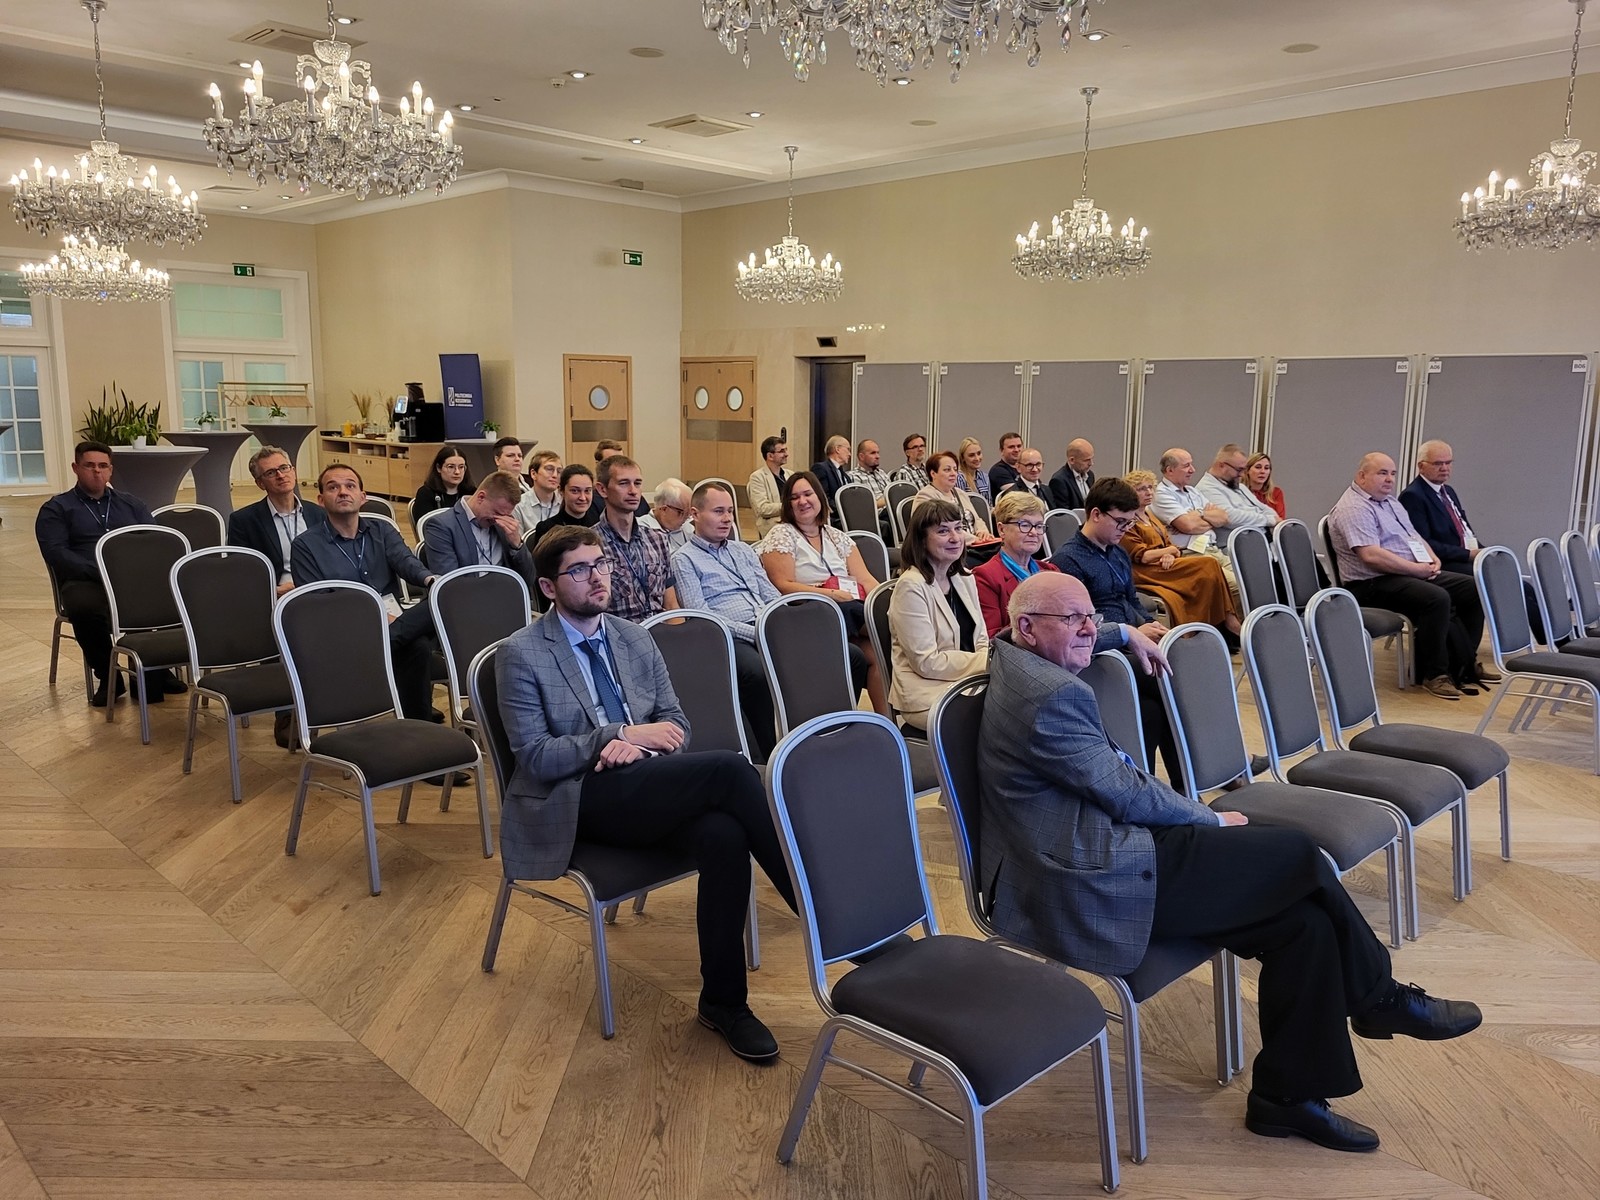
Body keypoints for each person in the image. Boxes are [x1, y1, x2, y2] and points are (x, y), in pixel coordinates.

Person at [978, 570, 1482, 1154]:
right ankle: (1379, 998)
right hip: (1093, 874)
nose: (1088, 628)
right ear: (1026, 627)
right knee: (1295, 852)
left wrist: (1122, 631)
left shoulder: (1015, 654)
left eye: (1091, 615)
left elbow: (1068, 630)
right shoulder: (1048, 696)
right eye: (1075, 620)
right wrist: (1210, 818)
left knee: (1305, 926)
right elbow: (1126, 793)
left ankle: (1285, 1098)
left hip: (1112, 842)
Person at [495, 524, 797, 1063]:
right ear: (547, 587)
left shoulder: (634, 637)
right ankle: (819, 911)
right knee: (731, 771)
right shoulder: (521, 653)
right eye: (579, 570)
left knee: (724, 834)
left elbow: (676, 721)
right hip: (579, 798)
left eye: (601, 564)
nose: (597, 577)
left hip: (646, 785)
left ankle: (724, 1002)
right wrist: (616, 736)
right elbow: (536, 757)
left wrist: (644, 746)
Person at [1052, 477, 1196, 784]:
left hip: (1130, 644)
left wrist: (1149, 625)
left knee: (1155, 710)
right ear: (1095, 514)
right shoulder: (1068, 560)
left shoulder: (1117, 552)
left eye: (1130, 523)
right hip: (1102, 653)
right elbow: (1081, 625)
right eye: (1120, 522)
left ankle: (1179, 788)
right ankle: (1193, 778)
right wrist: (1134, 631)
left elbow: (1131, 600)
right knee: (1174, 680)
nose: (1125, 530)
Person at [1327, 453, 1495, 700]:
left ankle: (1463, 664)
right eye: (1382, 473)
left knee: (1473, 588)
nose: (1389, 479)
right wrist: (1416, 569)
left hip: (1403, 573)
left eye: (1392, 474)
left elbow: (1413, 536)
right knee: (1436, 597)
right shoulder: (1354, 508)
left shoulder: (1390, 503)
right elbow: (1371, 556)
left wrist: (1432, 559)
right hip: (1370, 583)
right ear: (1361, 476)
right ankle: (1433, 673)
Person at [289, 464, 440, 722]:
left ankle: (416, 727)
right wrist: (376, 617)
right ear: (321, 500)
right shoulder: (305, 545)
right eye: (333, 487)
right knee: (418, 643)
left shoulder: (382, 531)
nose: (342, 492)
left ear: (362, 496)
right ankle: (419, 726)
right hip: (345, 632)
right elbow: (319, 606)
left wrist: (430, 579)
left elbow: (405, 561)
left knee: (439, 600)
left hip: (393, 621)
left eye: (350, 486)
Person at [35, 440, 171, 708]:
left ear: (110, 470)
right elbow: (56, 553)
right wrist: (100, 572)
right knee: (84, 608)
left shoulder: (132, 504)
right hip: (86, 579)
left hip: (130, 579)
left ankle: (154, 670)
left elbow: (154, 541)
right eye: (89, 466)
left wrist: (131, 572)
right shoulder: (57, 509)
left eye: (102, 466)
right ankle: (109, 677)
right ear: (76, 468)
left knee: (166, 598)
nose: (96, 472)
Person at [670, 481, 782, 759]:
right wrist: (755, 633)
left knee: (842, 655)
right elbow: (702, 615)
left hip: (765, 626)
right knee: (756, 672)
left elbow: (770, 594)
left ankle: (818, 735)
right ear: (695, 514)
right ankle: (771, 754)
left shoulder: (743, 550)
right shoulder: (684, 559)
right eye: (718, 511)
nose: (727, 518)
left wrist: (781, 622)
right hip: (728, 638)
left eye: (730, 511)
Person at [226, 445, 329, 747]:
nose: (281, 475)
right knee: (290, 626)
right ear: (260, 483)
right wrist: (281, 590)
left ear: (294, 471)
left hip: (320, 590)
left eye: (285, 468)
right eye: (271, 472)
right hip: (277, 596)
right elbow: (243, 575)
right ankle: (288, 713)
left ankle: (332, 704)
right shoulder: (245, 520)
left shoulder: (318, 513)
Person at [1399, 439, 1543, 640]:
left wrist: (1485, 552)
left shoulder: (1448, 492)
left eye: (1448, 462)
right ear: (1421, 466)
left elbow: (1466, 532)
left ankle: (1553, 638)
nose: (1445, 468)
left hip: (1465, 557)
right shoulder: (1413, 496)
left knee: (1520, 582)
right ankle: (1551, 641)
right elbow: (1425, 544)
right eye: (1438, 463)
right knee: (1501, 583)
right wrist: (1469, 554)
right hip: (1444, 563)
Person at [756, 471, 878, 708]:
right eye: (794, 497)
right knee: (878, 627)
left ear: (820, 497)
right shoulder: (782, 535)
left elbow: (866, 580)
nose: (802, 501)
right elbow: (782, 586)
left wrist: (883, 601)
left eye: (807, 494)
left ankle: (884, 722)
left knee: (877, 655)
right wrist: (830, 595)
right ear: (787, 504)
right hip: (808, 612)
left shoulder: (836, 536)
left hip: (848, 611)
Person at [887, 499, 989, 736]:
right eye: (943, 531)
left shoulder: (965, 577)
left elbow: (981, 640)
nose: (955, 538)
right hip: (926, 695)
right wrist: (987, 663)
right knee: (1000, 720)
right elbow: (926, 662)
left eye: (958, 528)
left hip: (969, 683)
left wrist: (987, 663)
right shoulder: (911, 587)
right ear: (921, 540)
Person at [1121, 470, 1240, 635]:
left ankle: (1215, 625)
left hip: (1164, 564)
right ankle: (1227, 622)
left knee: (1209, 573)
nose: (1148, 492)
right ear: (1130, 492)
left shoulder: (1150, 515)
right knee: (1208, 564)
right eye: (1141, 489)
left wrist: (1169, 554)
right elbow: (1143, 556)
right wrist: (1169, 551)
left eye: (1150, 487)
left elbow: (1170, 545)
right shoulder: (1128, 520)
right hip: (1145, 570)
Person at [421, 469, 537, 591]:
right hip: (468, 598)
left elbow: (528, 579)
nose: (498, 519)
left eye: (506, 515)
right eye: (497, 513)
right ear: (481, 497)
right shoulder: (442, 526)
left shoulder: (505, 525)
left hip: (504, 596)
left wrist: (517, 545)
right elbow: (450, 585)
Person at [594, 455, 678, 622]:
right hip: (618, 632)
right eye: (623, 483)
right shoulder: (590, 545)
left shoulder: (657, 539)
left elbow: (671, 606)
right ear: (602, 489)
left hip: (660, 630)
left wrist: (678, 635)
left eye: (637, 483)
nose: (633, 491)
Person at [1150, 446, 1238, 598]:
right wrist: (1209, 518)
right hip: (1191, 554)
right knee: (1236, 587)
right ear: (1170, 470)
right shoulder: (1161, 494)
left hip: (1213, 550)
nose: (1193, 470)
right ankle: (1232, 615)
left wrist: (1200, 514)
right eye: (1186, 466)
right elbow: (1188, 526)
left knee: (1250, 582)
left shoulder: (1193, 491)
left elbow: (1224, 518)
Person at [973, 490, 1059, 636]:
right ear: (1001, 529)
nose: (1034, 532)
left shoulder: (1051, 571)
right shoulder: (985, 577)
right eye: (1024, 525)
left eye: (1039, 526)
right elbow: (994, 638)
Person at [1195, 443, 1281, 543]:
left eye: (1243, 470)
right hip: (1238, 544)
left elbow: (1265, 509)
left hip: (1261, 539)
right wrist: (1268, 520)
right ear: (1221, 466)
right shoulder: (1206, 488)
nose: (1242, 475)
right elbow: (1230, 518)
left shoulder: (1240, 487)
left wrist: (1271, 519)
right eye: (1239, 470)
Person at [912, 450, 996, 548]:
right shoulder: (925, 496)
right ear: (933, 474)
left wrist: (983, 533)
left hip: (975, 545)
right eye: (947, 470)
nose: (953, 473)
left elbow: (977, 520)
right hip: (949, 548)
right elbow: (941, 530)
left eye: (955, 469)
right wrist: (974, 540)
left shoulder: (961, 493)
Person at [532, 464, 600, 547]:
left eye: (587, 491)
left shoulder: (599, 523)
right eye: (575, 491)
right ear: (561, 491)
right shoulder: (546, 529)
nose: (582, 498)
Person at [411, 445, 474, 527]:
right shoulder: (426, 493)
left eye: (461, 467)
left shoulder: (472, 493)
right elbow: (425, 526)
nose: (457, 472)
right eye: (451, 467)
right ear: (438, 468)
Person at [849, 438, 896, 539]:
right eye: (873, 453)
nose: (878, 456)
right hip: (875, 515)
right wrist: (886, 501)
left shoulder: (881, 473)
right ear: (861, 456)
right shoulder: (853, 476)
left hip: (891, 510)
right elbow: (862, 507)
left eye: (878, 453)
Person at [746, 435, 789, 538]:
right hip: (773, 527)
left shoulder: (790, 474)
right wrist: (789, 506)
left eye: (786, 450)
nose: (786, 454)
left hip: (792, 523)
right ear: (770, 456)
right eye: (782, 451)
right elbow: (762, 508)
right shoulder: (757, 477)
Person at [513, 450, 563, 536]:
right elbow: (517, 542)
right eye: (549, 469)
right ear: (533, 474)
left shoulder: (565, 504)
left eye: (559, 471)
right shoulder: (518, 506)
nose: (555, 475)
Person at [638, 478, 693, 553]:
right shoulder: (641, 530)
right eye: (682, 513)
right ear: (664, 509)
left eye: (689, 513)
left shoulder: (686, 528)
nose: (687, 517)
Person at [810, 434, 854, 520]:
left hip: (846, 517)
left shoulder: (846, 476)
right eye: (848, 449)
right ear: (838, 449)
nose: (850, 454)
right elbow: (824, 498)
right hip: (833, 518)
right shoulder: (821, 468)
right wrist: (845, 512)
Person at [1048, 438, 1096, 511]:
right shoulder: (1059, 481)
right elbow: (1063, 513)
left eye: (1091, 459)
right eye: (1086, 460)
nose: (1091, 463)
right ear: (1072, 460)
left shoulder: (1090, 475)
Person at [1244, 453, 1286, 520]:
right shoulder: (1239, 492)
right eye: (1258, 467)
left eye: (1266, 468)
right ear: (1247, 470)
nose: (1263, 471)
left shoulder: (1276, 493)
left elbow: (1280, 520)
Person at [955, 436, 992, 503]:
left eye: (979, 453)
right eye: (971, 455)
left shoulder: (984, 476)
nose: (977, 458)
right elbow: (961, 504)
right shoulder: (959, 478)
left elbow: (989, 503)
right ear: (963, 458)